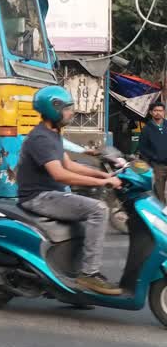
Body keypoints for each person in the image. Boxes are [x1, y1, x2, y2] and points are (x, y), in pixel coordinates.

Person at [17, 86, 122, 295]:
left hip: (51, 194)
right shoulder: (41, 138)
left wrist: (102, 175)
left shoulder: (53, 134)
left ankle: (71, 279)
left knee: (83, 223)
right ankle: (89, 274)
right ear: (53, 110)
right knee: (98, 210)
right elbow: (60, 174)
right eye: (67, 108)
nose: (71, 112)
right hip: (39, 197)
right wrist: (102, 183)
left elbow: (70, 165)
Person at [138, 101, 167, 203]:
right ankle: (163, 216)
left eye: (160, 110)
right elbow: (143, 148)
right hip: (158, 166)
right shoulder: (147, 129)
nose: (158, 113)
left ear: (164, 112)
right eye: (155, 110)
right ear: (151, 112)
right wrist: (153, 159)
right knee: (159, 193)